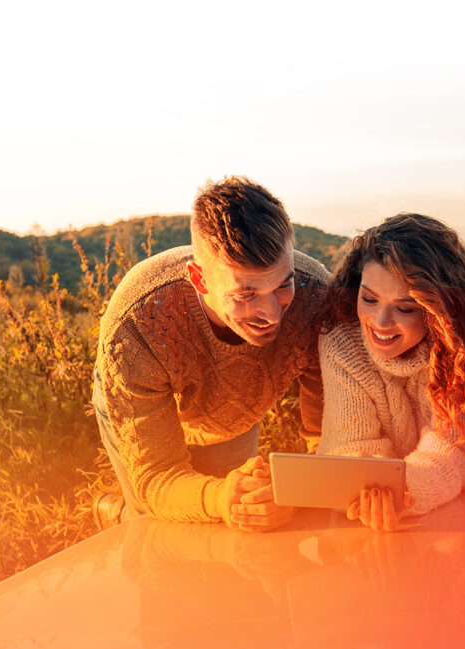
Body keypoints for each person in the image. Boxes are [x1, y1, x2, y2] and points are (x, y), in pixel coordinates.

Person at [92, 176, 328, 530]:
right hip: (138, 389)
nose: (273, 313)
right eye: (246, 295)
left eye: (283, 285)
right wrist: (218, 498)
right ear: (199, 279)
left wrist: (292, 494)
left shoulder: (317, 300)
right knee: (156, 527)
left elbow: (326, 440)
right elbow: (158, 476)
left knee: (235, 518)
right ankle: (119, 513)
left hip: (236, 408)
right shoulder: (135, 326)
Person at [314, 213, 465, 531]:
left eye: (405, 308)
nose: (380, 321)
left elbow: (454, 451)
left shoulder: (464, 349)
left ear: (438, 310)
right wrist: (374, 489)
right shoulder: (342, 341)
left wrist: (403, 491)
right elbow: (352, 445)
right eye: (369, 299)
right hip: (419, 506)